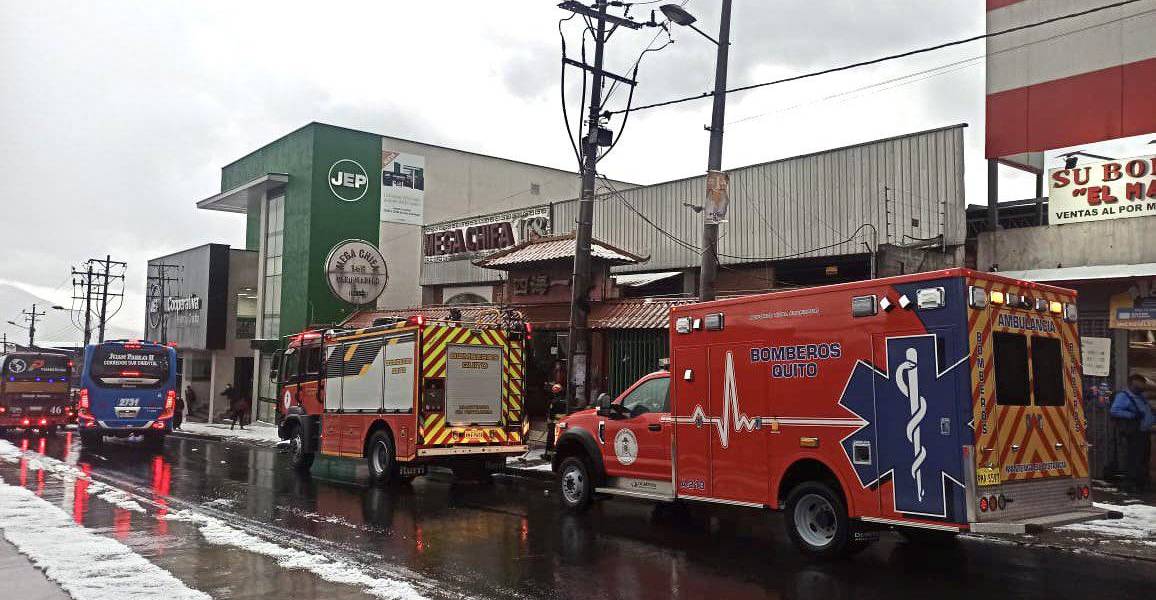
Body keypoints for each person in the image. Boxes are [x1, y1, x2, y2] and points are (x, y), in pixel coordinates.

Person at [1110, 373, 1155, 492]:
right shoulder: (1123, 396)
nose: (1141, 386)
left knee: (1144, 458)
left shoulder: (1140, 396)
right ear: (1131, 384)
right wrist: (1132, 415)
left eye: (1142, 384)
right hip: (1134, 432)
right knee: (1135, 458)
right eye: (1138, 383)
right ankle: (1131, 484)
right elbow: (1114, 411)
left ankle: (1141, 483)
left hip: (1144, 432)